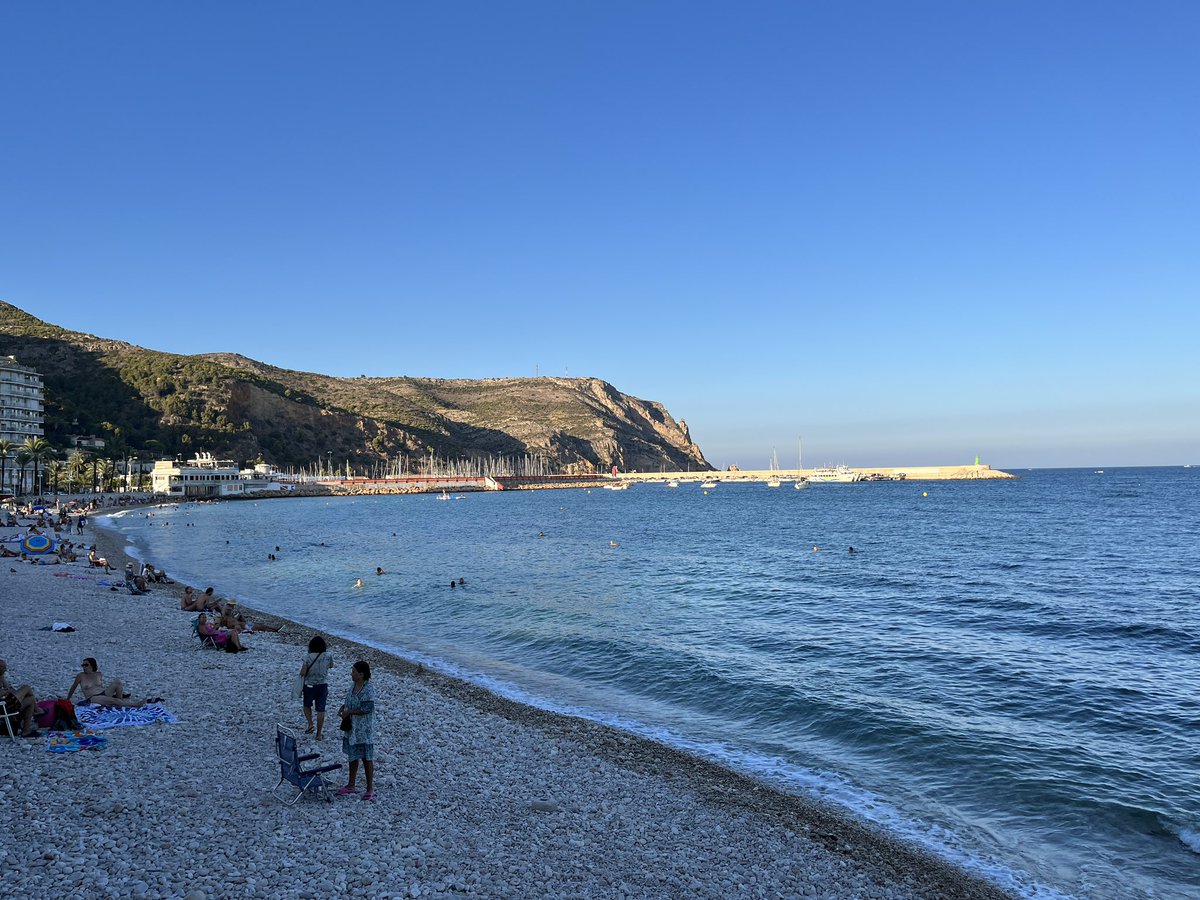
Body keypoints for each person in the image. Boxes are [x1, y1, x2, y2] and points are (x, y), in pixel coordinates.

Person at [336, 660, 376, 800]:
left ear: (361, 674)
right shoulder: (354, 685)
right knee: (352, 757)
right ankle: (351, 784)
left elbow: (367, 708)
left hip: (364, 730)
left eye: (354, 672)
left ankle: (370, 789)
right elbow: (350, 700)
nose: (351, 674)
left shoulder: (368, 689)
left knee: (366, 758)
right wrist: (343, 708)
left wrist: (349, 712)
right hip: (353, 729)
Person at [66, 658, 150, 708]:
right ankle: (135, 705)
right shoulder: (80, 676)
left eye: (86, 665)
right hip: (92, 698)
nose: (84, 667)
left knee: (118, 682)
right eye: (83, 665)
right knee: (113, 700)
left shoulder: (98, 674)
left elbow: (100, 686)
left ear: (92, 665)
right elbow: (73, 688)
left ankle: (120, 701)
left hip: (104, 693)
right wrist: (67, 699)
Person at [300, 636, 334, 739]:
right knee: (321, 710)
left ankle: (310, 723)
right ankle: (319, 734)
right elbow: (331, 666)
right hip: (322, 685)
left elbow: (303, 672)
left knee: (307, 705)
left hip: (310, 685)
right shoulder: (328, 656)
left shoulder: (307, 657)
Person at [0, 658, 40, 737]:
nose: (6, 669)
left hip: (7, 703)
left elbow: (9, 688)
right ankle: (37, 710)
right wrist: (6, 692)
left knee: (31, 699)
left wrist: (8, 689)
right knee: (26, 687)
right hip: (3, 707)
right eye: (3, 667)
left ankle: (26, 730)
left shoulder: (1, 677)